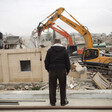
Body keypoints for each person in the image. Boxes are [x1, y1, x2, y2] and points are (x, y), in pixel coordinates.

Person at [44, 38, 70, 106]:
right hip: (62, 70)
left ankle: (52, 102)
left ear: (54, 42)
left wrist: (48, 69)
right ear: (60, 42)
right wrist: (67, 70)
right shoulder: (64, 51)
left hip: (52, 70)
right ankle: (63, 102)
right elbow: (67, 61)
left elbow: (46, 61)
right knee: (62, 86)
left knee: (52, 86)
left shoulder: (50, 50)